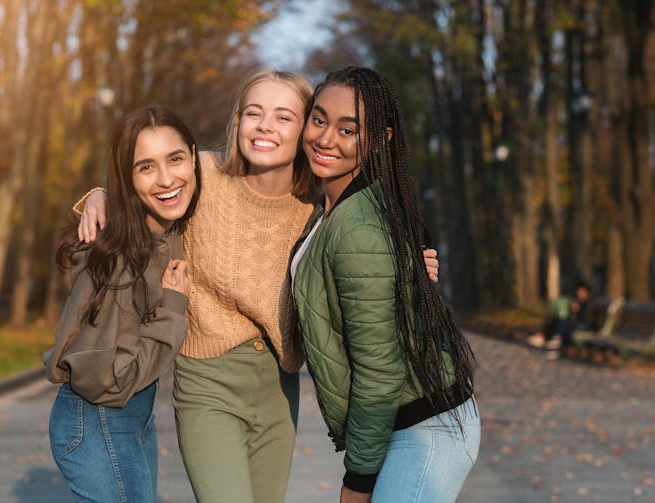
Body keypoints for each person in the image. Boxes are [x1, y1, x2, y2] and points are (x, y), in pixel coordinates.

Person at [75, 69, 441, 503]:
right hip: (207, 381)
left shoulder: (320, 204)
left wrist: (408, 263)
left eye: (284, 117)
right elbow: (147, 182)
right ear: (238, 122)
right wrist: (101, 196)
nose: (265, 126)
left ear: (305, 129)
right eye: (254, 112)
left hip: (278, 385)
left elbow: (368, 248)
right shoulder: (203, 177)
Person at [291, 67, 480, 503]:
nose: (325, 139)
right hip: (398, 422)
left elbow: (380, 370)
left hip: (424, 428)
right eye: (318, 120)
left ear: (381, 139)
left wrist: (357, 481)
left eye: (348, 130)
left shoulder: (358, 226)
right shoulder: (334, 208)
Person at [44, 105, 200, 502]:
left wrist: (98, 195)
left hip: (129, 419)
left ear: (194, 156)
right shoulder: (118, 258)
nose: (167, 179)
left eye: (175, 159)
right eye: (145, 167)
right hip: (99, 419)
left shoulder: (161, 226)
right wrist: (172, 308)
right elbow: (107, 382)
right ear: (127, 178)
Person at [527, 281, 592, 354]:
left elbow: (585, 318)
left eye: (582, 291)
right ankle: (542, 336)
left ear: (587, 292)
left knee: (564, 321)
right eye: (579, 291)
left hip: (582, 325)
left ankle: (556, 339)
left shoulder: (589, 303)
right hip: (572, 323)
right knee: (557, 320)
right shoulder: (575, 300)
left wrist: (578, 310)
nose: (580, 293)